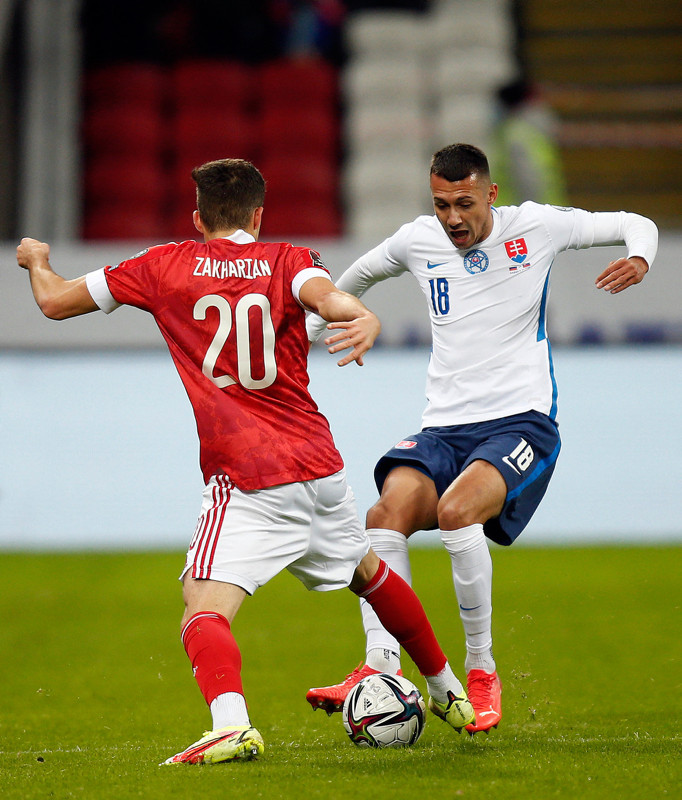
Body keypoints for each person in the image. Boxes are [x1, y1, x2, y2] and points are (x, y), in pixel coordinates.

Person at [16, 158, 474, 765]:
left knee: (201, 605)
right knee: (368, 573)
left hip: (248, 477)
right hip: (320, 467)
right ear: (259, 214)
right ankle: (448, 691)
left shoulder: (159, 266)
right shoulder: (290, 259)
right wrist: (360, 314)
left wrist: (35, 261)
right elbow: (327, 298)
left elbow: (52, 303)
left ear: (198, 215)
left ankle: (231, 724)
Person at [305, 143, 658, 734]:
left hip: (521, 421)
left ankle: (481, 669)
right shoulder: (418, 240)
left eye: (463, 204)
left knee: (455, 511)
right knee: (382, 515)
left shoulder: (537, 227)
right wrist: (317, 325)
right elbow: (358, 275)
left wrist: (641, 258)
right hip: (444, 426)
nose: (452, 219)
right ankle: (379, 668)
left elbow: (633, 223)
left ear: (490, 194)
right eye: (441, 204)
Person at [489, 78, 567, 207]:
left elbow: (529, 181)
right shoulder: (536, 133)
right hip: (548, 212)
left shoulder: (515, 135)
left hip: (519, 216)